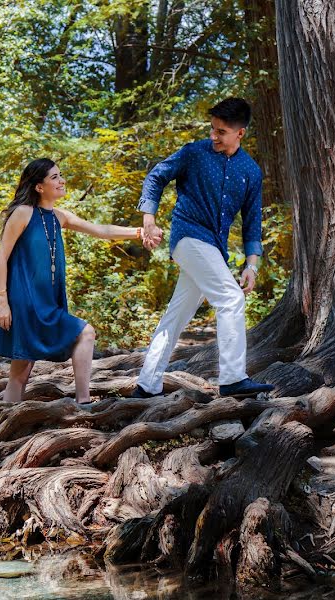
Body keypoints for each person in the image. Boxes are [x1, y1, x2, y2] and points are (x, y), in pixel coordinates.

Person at [133, 98, 275, 399]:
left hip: (213, 248)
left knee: (176, 316)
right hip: (188, 236)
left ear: (241, 133)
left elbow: (252, 223)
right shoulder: (194, 153)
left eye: (221, 131)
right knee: (231, 298)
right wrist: (149, 217)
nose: (214, 136)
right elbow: (157, 175)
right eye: (212, 129)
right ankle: (234, 379)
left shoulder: (251, 172)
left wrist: (251, 266)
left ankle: (147, 385)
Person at [0, 158, 151, 404]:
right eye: (54, 177)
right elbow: (2, 255)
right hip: (24, 302)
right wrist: (1, 300)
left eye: (60, 175)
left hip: (47, 302)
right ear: (38, 186)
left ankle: (79, 403)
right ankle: (76, 405)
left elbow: (102, 231)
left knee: (75, 340)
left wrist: (140, 232)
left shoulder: (60, 216)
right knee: (21, 373)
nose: (61, 180)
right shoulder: (23, 213)